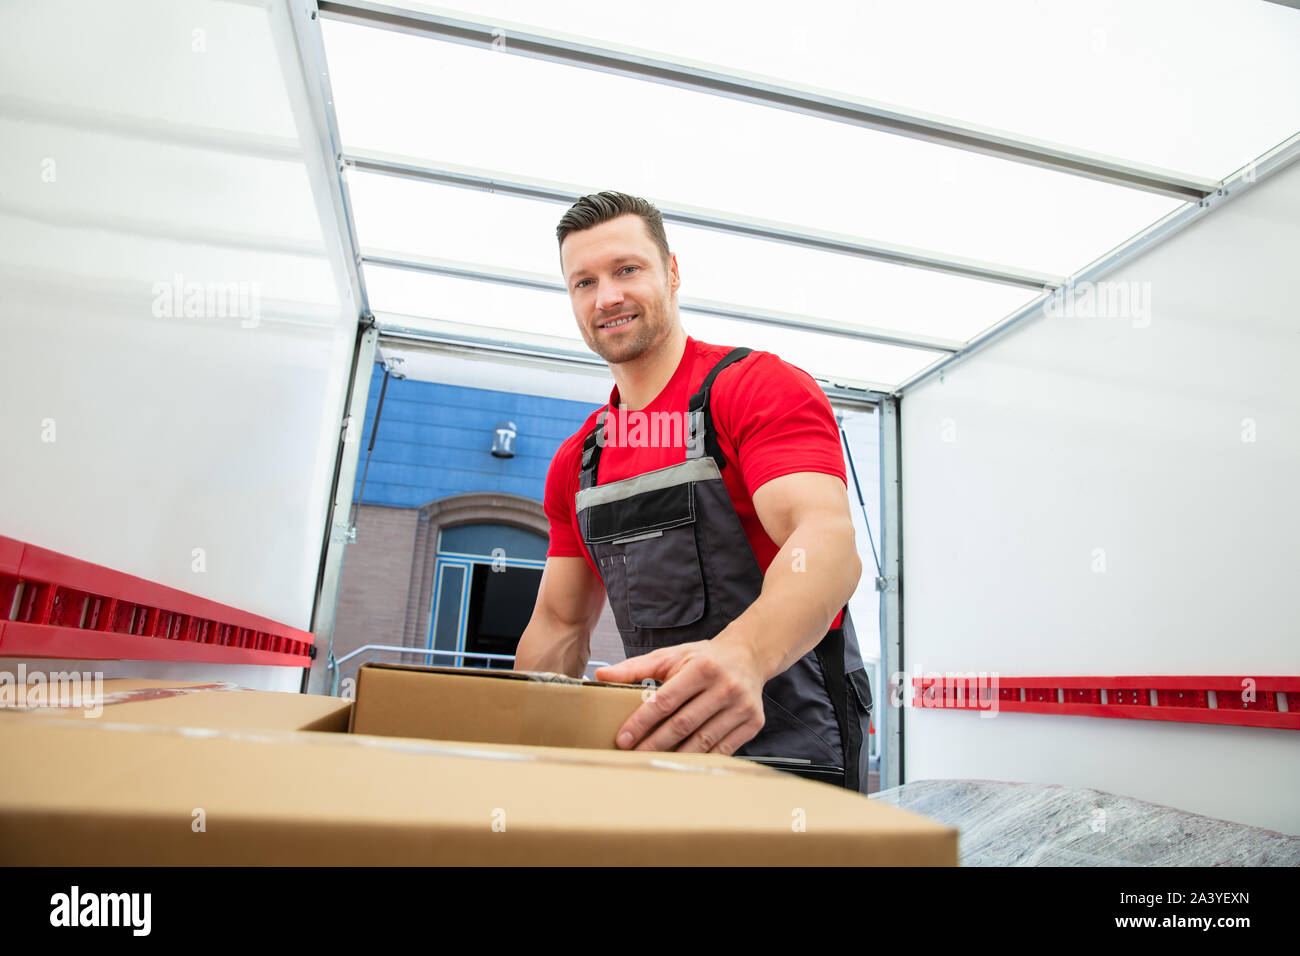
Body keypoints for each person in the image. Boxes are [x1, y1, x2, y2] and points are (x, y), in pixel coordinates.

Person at [513, 190, 874, 792]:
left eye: (627, 269)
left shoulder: (754, 388)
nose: (608, 297)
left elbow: (827, 543)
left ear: (672, 272)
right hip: (665, 746)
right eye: (584, 282)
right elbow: (558, 624)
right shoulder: (578, 463)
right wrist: (517, 746)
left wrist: (745, 657)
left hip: (795, 751)